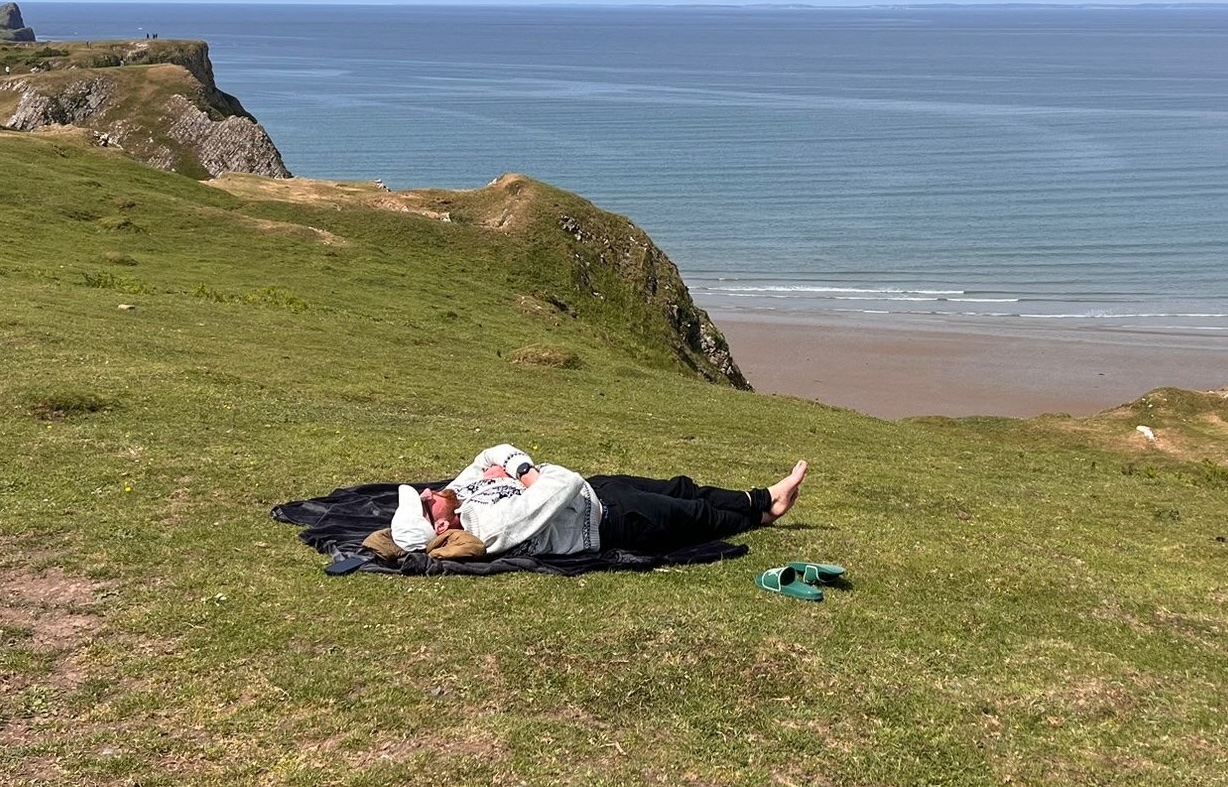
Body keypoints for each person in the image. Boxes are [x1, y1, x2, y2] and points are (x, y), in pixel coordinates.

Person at [391, 444, 808, 557]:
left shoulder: (458, 497)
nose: (428, 492)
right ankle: (762, 518)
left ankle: (764, 497)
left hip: (599, 491)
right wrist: (534, 478)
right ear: (441, 528)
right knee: (695, 516)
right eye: (426, 505)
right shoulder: (492, 527)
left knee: (682, 487)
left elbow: (492, 451)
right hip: (609, 522)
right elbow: (564, 481)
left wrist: (519, 471)